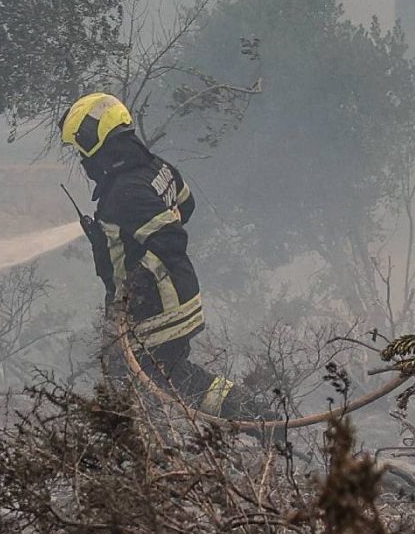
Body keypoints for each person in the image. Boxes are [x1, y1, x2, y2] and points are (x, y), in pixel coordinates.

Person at [59, 91, 270, 421]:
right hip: (178, 296)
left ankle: (158, 453)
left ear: (97, 142)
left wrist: (134, 288)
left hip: (156, 307)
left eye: (81, 149)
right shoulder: (157, 168)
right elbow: (185, 205)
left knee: (133, 384)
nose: (83, 160)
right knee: (174, 377)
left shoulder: (124, 193)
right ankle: (251, 416)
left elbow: (170, 238)